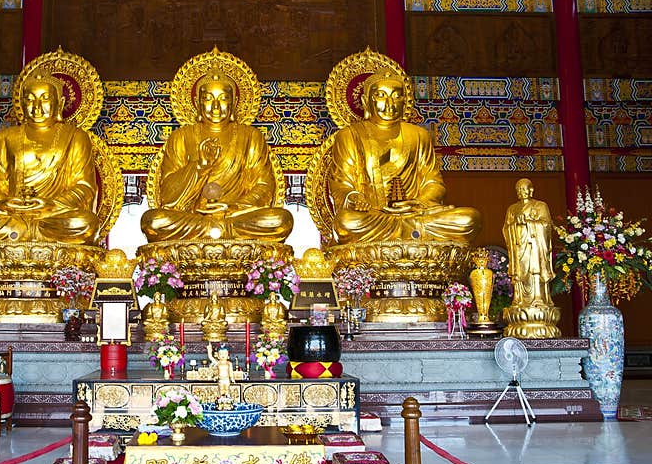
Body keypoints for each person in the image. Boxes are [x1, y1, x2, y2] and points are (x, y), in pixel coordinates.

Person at [328, 69, 481, 244]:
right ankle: (411, 234)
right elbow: (341, 183)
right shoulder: (349, 135)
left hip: (415, 213)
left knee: (469, 219)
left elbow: (433, 182)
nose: (390, 103)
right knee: (345, 223)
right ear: (365, 102)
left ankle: (406, 231)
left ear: (405, 102)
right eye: (380, 95)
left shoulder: (418, 135)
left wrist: (418, 202)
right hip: (373, 217)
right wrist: (354, 198)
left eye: (396, 96)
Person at [140, 69, 293, 242]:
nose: (215, 107)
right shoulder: (181, 137)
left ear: (233, 103)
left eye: (222, 99)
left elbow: (264, 188)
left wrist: (230, 208)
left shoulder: (251, 136)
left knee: (281, 220)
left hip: (233, 218)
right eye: (208, 99)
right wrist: (199, 166)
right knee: (153, 222)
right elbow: (167, 195)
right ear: (197, 103)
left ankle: (219, 231)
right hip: (193, 218)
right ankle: (223, 234)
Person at [0, 71, 99, 244]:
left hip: (53, 216)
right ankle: (31, 235)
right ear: (21, 104)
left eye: (44, 98)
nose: (36, 106)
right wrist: (3, 204)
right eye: (29, 99)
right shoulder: (6, 137)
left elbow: (84, 187)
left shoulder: (76, 137)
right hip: (12, 215)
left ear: (60, 104)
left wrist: (50, 204)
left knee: (86, 224)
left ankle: (20, 235)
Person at [502, 178, 555, 309]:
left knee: (535, 269)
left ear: (531, 190)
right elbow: (505, 228)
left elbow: (547, 225)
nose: (521, 191)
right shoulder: (512, 209)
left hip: (534, 246)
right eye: (518, 189)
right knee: (519, 272)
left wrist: (528, 223)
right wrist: (515, 225)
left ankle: (538, 298)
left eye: (524, 188)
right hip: (518, 245)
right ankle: (519, 299)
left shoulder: (540, 206)